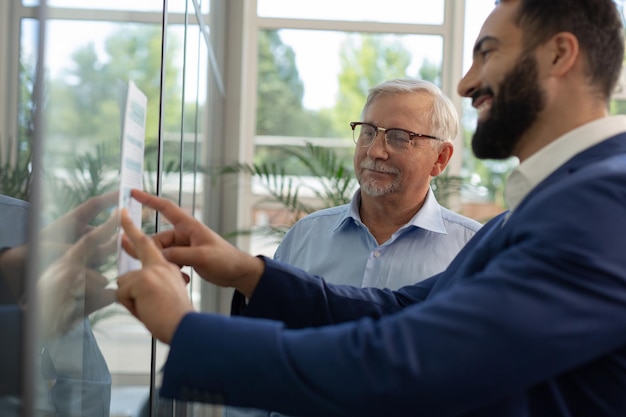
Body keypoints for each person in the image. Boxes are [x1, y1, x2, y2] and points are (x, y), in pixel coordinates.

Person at [116, 0, 626, 415]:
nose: (468, 83)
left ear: (560, 55)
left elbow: (404, 362)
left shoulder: (599, 202)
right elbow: (401, 311)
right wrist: (246, 271)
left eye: (487, 54)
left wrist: (188, 330)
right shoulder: (549, 204)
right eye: (371, 133)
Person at [225, 78, 482, 417]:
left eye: (399, 137)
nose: (375, 150)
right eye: (369, 131)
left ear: (441, 158)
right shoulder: (304, 237)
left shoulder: (472, 252)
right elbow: (261, 359)